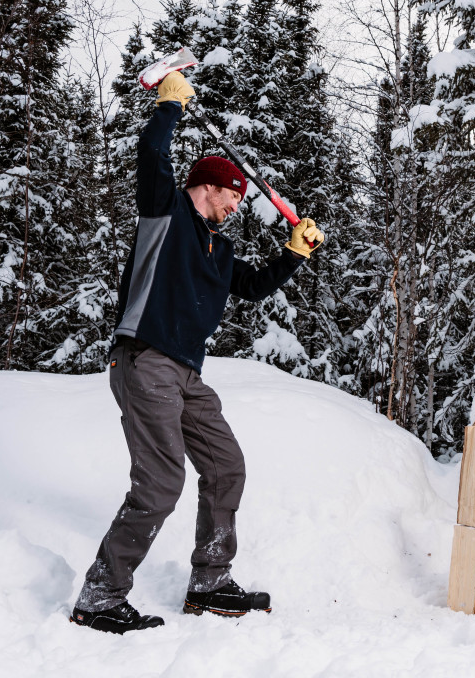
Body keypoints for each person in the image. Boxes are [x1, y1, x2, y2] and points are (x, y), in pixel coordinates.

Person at [69, 69, 324, 635]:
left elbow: (253, 286)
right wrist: (169, 106)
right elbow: (151, 154)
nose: (236, 205)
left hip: (186, 373)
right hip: (145, 358)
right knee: (161, 483)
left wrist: (294, 253)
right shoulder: (165, 212)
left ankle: (210, 581)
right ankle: (100, 596)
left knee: (225, 466)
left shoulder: (218, 247)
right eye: (234, 195)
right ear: (210, 185)